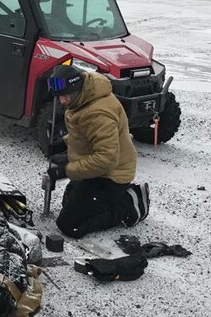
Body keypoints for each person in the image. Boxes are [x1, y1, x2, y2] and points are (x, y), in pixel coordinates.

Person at [45, 64, 149, 238]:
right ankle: (109, 199)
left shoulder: (99, 113)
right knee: (69, 202)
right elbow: (86, 133)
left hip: (112, 175)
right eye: (59, 96)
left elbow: (106, 159)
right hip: (97, 170)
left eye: (65, 96)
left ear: (77, 89)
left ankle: (130, 203)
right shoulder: (83, 98)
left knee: (69, 225)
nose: (62, 101)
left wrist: (66, 170)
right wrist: (63, 143)